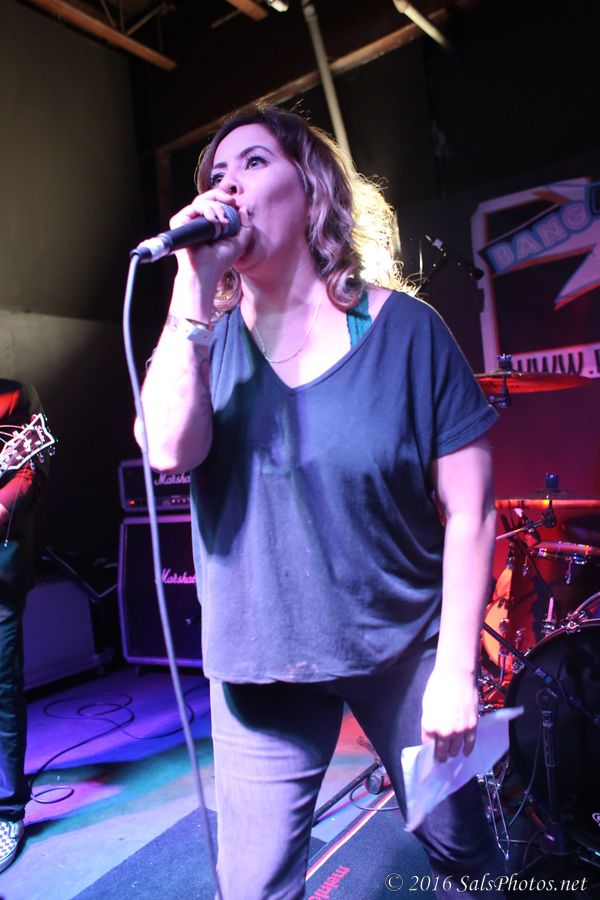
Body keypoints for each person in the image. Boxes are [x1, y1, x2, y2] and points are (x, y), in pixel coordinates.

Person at [136, 105, 506, 898]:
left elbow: (473, 512)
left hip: (401, 647)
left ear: (310, 190)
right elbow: (167, 450)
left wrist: (455, 671)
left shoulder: (406, 332)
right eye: (215, 175)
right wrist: (191, 288)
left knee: (467, 856)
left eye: (253, 163)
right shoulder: (203, 342)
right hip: (261, 661)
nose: (227, 186)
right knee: (255, 888)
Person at [0, 379, 48, 872]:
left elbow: (33, 472)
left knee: (1, 688)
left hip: (0, 569)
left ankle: (7, 809)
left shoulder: (15, 397)